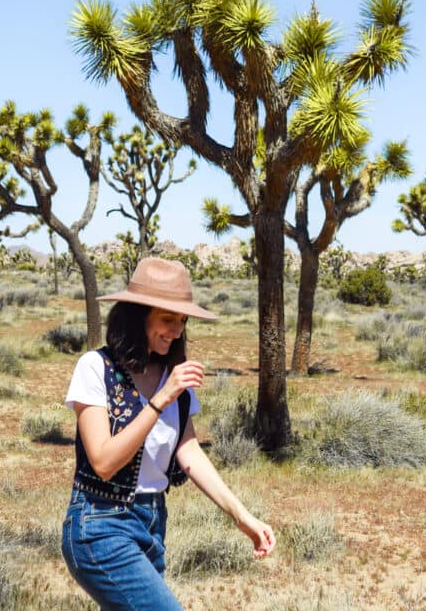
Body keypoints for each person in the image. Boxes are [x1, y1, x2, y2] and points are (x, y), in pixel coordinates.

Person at [61, 256, 276, 611]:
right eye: (167, 319)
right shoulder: (96, 368)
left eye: (182, 321)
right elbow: (103, 461)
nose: (176, 330)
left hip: (152, 523)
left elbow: (189, 454)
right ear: (137, 316)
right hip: (99, 525)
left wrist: (243, 517)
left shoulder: (175, 378)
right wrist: (160, 400)